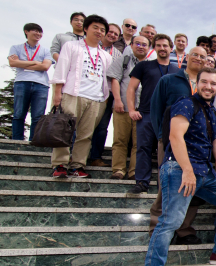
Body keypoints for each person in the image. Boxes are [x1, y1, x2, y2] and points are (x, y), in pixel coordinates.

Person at [137, 67, 216, 266]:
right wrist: (187, 170)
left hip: (206, 173)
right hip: (179, 170)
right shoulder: (185, 103)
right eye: (204, 82)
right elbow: (175, 136)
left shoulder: (212, 111)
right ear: (197, 83)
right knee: (170, 222)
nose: (208, 87)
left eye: (213, 83)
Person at [146, 46, 213, 246]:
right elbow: (156, 109)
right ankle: (156, 229)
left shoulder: (207, 85)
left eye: (203, 57)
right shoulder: (169, 80)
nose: (199, 59)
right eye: (195, 55)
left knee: (193, 187)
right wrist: (162, 136)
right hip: (171, 141)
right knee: (168, 184)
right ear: (186, 57)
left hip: (198, 145)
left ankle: (184, 230)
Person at [49, 15, 113, 178]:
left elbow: (107, 78)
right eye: (96, 28)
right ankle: (60, 164)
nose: (99, 32)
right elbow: (61, 69)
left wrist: (104, 98)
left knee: (85, 135)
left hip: (96, 98)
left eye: (102, 30)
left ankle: (78, 165)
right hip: (73, 94)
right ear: (86, 28)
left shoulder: (106, 55)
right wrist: (57, 94)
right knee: (65, 131)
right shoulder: (71, 46)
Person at [127, 34, 181, 194]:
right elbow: (131, 88)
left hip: (169, 117)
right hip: (146, 113)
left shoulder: (177, 71)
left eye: (165, 45)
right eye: (159, 45)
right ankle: (142, 182)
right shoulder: (144, 66)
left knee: (168, 151)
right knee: (143, 147)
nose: (162, 48)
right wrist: (131, 109)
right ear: (154, 47)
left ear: (171, 48)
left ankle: (163, 184)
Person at [106, 35, 150, 180]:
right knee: (120, 140)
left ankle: (134, 172)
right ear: (131, 45)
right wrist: (118, 100)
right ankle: (118, 169)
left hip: (142, 110)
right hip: (123, 107)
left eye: (144, 44)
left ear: (149, 48)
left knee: (139, 144)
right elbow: (115, 80)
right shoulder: (123, 61)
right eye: (137, 43)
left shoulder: (151, 65)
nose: (141, 46)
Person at [87, 23, 124, 167]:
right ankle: (76, 156)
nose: (112, 35)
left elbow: (117, 76)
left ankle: (96, 156)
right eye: (110, 32)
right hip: (88, 90)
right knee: (82, 125)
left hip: (107, 93)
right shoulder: (89, 47)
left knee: (102, 127)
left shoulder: (118, 54)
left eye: (116, 34)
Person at [7, 23, 52, 141]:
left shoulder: (46, 50)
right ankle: (17, 141)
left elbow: (45, 67)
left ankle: (34, 141)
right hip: (22, 82)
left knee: (38, 115)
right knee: (18, 114)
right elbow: (12, 63)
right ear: (26, 32)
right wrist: (37, 63)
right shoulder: (15, 47)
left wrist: (22, 62)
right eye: (35, 31)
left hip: (41, 85)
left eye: (40, 32)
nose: (38, 34)